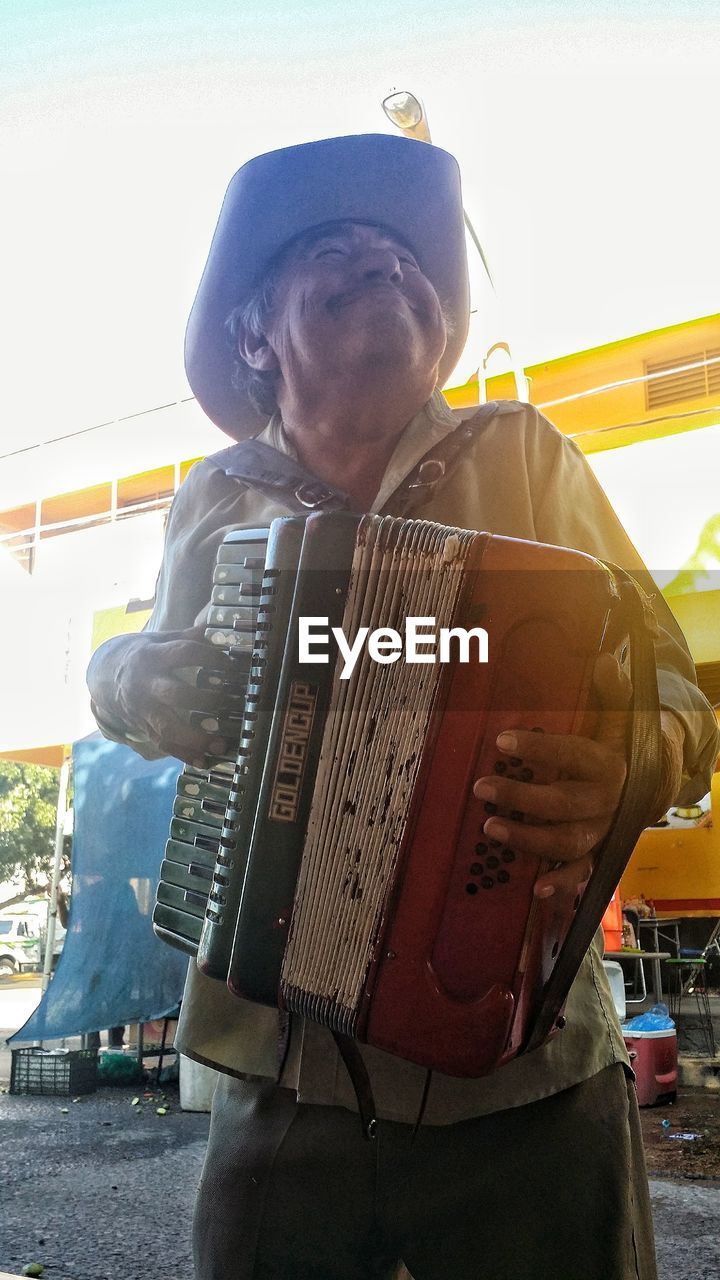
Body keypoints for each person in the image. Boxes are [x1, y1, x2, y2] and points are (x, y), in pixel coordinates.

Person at [87, 134, 719, 1280]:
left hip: (527, 1077)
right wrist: (130, 676)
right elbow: (141, 677)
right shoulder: (214, 496)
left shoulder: (526, 453)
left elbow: (677, 686)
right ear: (254, 334)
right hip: (278, 1079)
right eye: (336, 249)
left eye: (405, 257)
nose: (384, 260)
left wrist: (625, 769)